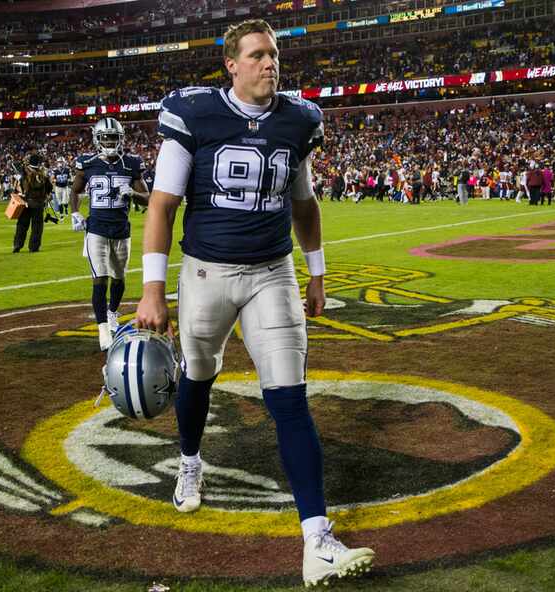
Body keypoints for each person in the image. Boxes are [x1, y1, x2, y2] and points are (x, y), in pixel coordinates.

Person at [135, 19, 374, 587]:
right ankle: (190, 464)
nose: (271, 64)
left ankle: (316, 540)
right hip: (205, 272)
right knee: (197, 376)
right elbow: (163, 205)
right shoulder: (194, 114)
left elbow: (306, 204)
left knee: (290, 398)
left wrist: (316, 273)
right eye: (258, 55)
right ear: (232, 65)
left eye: (274, 54)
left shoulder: (297, 119)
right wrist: (151, 288)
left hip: (273, 273)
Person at [70, 118, 150, 351]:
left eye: (113, 137)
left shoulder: (132, 163)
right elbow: (75, 190)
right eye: (105, 137)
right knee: (100, 278)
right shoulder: (88, 162)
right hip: (96, 228)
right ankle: (103, 328)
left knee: (118, 278)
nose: (110, 141)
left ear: (121, 138)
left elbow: (148, 198)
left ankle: (112, 313)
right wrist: (75, 212)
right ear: (97, 138)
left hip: (121, 230)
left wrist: (132, 195)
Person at [12, 153, 52, 254]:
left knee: (22, 225)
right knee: (37, 227)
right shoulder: (43, 173)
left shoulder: (24, 171)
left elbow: (14, 165)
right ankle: (33, 247)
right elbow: (49, 188)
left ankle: (17, 245)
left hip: (25, 202)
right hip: (38, 203)